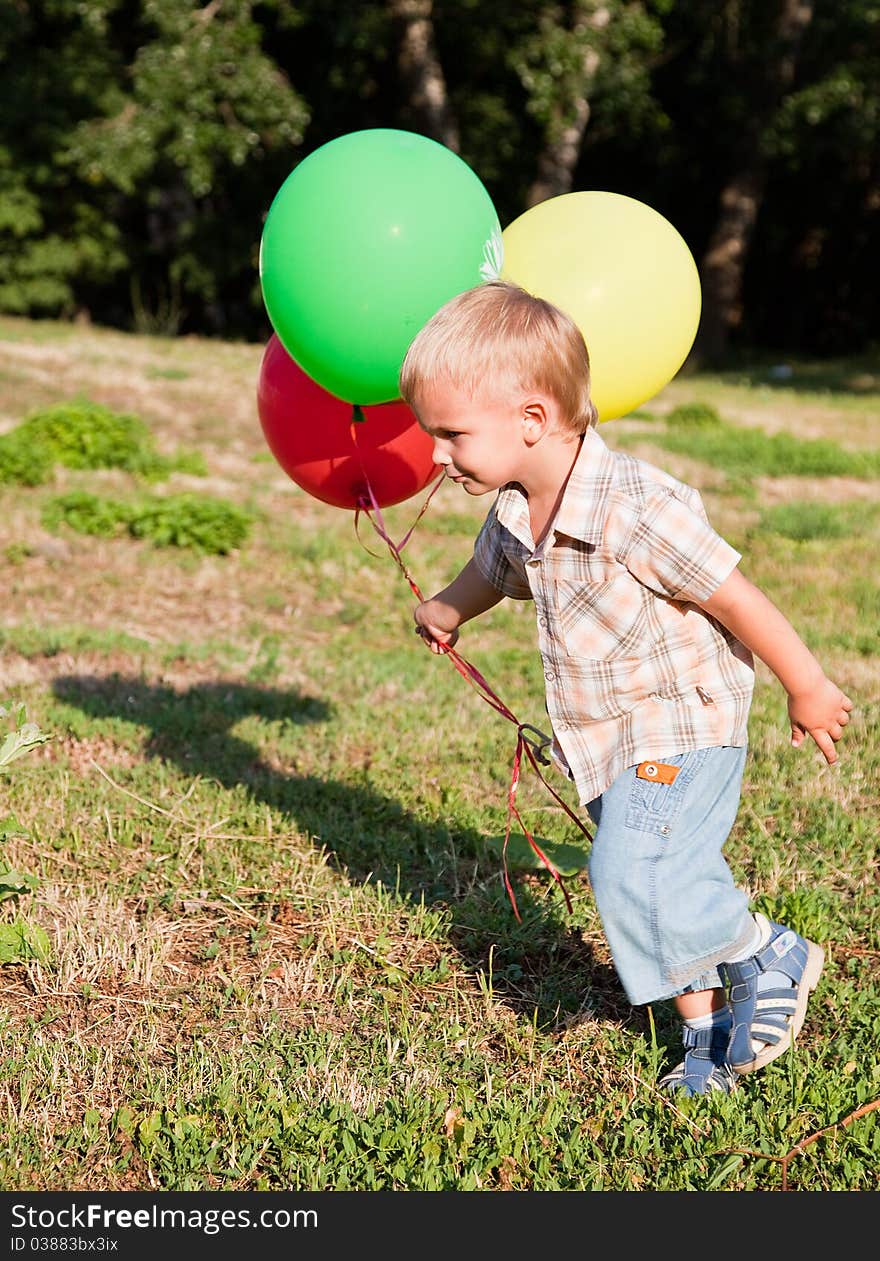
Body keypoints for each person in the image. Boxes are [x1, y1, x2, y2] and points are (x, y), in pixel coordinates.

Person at [398, 280, 853, 1097]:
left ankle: (763, 948)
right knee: (656, 883)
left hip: (684, 725)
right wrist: (447, 607)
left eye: (450, 434)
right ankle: (708, 1034)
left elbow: (732, 594)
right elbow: (491, 574)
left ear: (531, 420)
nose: (435, 454)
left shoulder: (636, 507)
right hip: (604, 743)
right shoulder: (512, 512)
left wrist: (807, 683)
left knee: (631, 871)